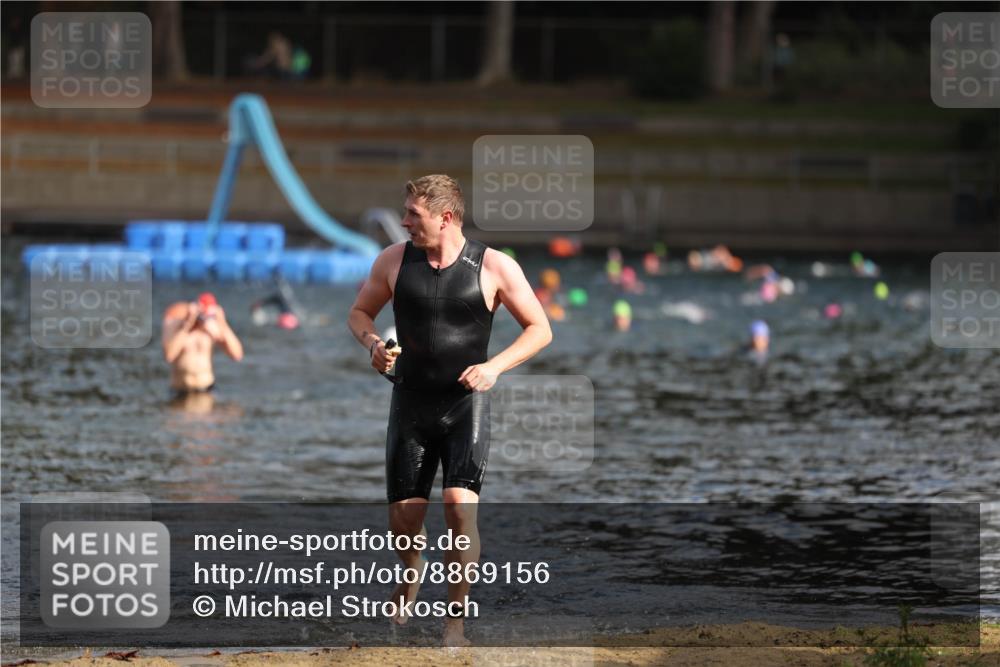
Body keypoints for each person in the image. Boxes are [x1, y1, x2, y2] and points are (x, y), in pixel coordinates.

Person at [347, 175, 552, 646]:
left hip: (466, 405)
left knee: (460, 509)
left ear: (445, 217)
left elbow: (540, 329)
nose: (403, 222)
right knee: (405, 522)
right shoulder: (394, 260)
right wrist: (375, 344)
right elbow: (359, 314)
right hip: (411, 404)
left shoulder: (496, 266)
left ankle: (454, 623)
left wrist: (495, 367)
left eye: (413, 215)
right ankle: (412, 570)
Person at [162, 293, 244, 395]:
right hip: (180, 390)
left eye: (207, 316)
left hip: (206, 389)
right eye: (201, 315)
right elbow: (169, 356)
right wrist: (186, 326)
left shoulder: (213, 327)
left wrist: (223, 323)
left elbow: (237, 355)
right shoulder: (175, 324)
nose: (203, 319)